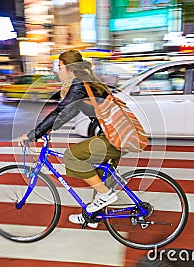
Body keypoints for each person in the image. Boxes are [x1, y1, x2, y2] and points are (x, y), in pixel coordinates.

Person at [18, 50, 121, 228]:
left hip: (112, 137)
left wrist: (33, 134)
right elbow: (68, 113)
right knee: (99, 177)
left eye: (60, 67)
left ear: (70, 68)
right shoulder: (86, 83)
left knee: (71, 156)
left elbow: (60, 111)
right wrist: (48, 129)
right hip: (118, 135)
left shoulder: (79, 85)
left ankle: (105, 195)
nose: (58, 72)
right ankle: (92, 216)